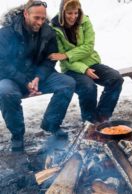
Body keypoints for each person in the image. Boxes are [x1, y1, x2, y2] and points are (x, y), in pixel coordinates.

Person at [0, 0, 76, 151]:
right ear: (26, 14)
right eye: (36, 18)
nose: (40, 22)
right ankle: (17, 135)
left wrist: (37, 77)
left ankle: (51, 124)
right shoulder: (6, 33)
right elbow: (3, 64)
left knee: (67, 83)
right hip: (12, 78)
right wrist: (24, 81)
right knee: (5, 92)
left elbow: (50, 59)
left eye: (42, 18)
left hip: (38, 77)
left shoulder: (48, 32)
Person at [49, 0, 124, 124]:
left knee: (115, 78)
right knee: (88, 87)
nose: (73, 17)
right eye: (69, 13)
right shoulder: (55, 28)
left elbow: (88, 47)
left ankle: (102, 118)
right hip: (71, 69)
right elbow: (62, 59)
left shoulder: (85, 21)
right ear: (62, 12)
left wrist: (67, 55)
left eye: (76, 13)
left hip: (91, 62)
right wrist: (83, 69)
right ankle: (89, 123)